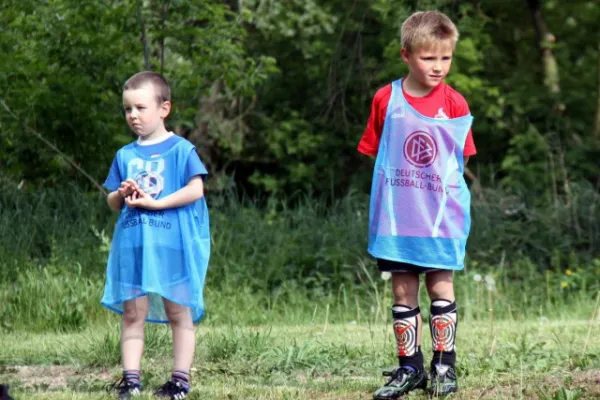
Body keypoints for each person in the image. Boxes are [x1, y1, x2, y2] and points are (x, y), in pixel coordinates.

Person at [357, 10, 476, 399]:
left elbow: (463, 158)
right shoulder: (385, 99)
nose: (438, 67)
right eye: (429, 58)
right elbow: (377, 152)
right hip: (397, 217)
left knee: (441, 286)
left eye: (445, 58)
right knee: (403, 291)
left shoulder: (455, 103)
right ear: (406, 54)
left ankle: (444, 368)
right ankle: (410, 370)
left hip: (440, 218)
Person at [102, 71, 210, 399]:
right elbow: (112, 203)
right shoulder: (125, 155)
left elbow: (196, 189)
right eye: (127, 109)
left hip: (172, 247)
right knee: (133, 313)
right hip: (134, 247)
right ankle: (131, 380)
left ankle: (179, 381)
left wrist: (158, 202)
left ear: (164, 108)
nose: (133, 115)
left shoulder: (181, 150)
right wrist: (121, 193)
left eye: (140, 107)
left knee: (179, 312)